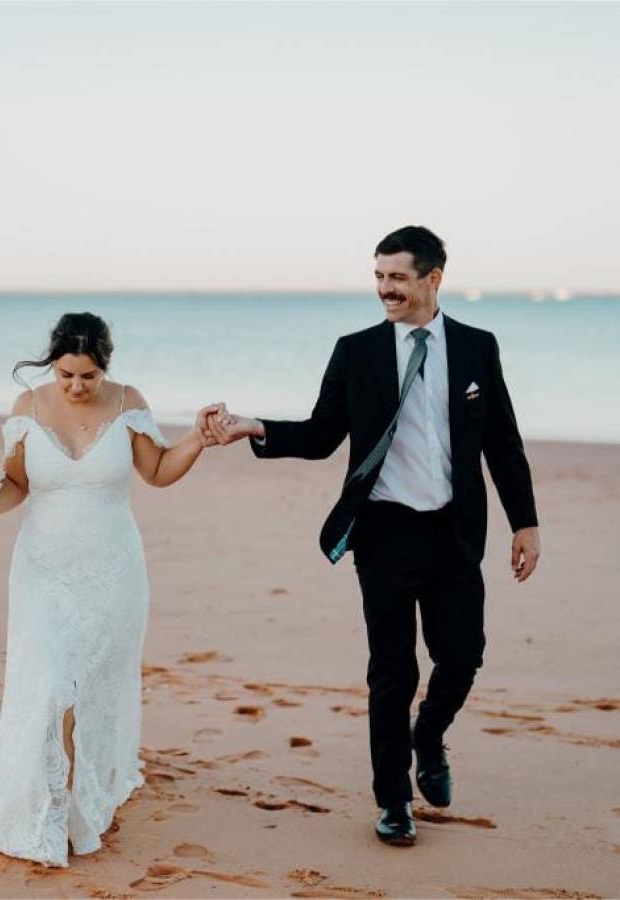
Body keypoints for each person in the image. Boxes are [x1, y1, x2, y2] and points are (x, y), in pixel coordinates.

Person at [201, 225, 541, 847]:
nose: (385, 289)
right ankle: (394, 802)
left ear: (433, 279)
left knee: (462, 656)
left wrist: (526, 521)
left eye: (398, 278)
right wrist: (252, 427)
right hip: (384, 533)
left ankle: (429, 735)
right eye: (379, 277)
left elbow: (502, 440)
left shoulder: (476, 348)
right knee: (391, 672)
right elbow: (322, 433)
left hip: (455, 533)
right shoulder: (355, 351)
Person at [0, 311, 210, 867]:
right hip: (43, 569)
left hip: (112, 569)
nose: (75, 387)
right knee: (48, 683)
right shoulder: (28, 408)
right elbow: (16, 485)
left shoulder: (126, 402)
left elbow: (159, 471)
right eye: (67, 374)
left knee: (93, 687)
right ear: (53, 363)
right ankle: (50, 810)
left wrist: (198, 439)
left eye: (88, 376)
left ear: (105, 369)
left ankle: (76, 796)